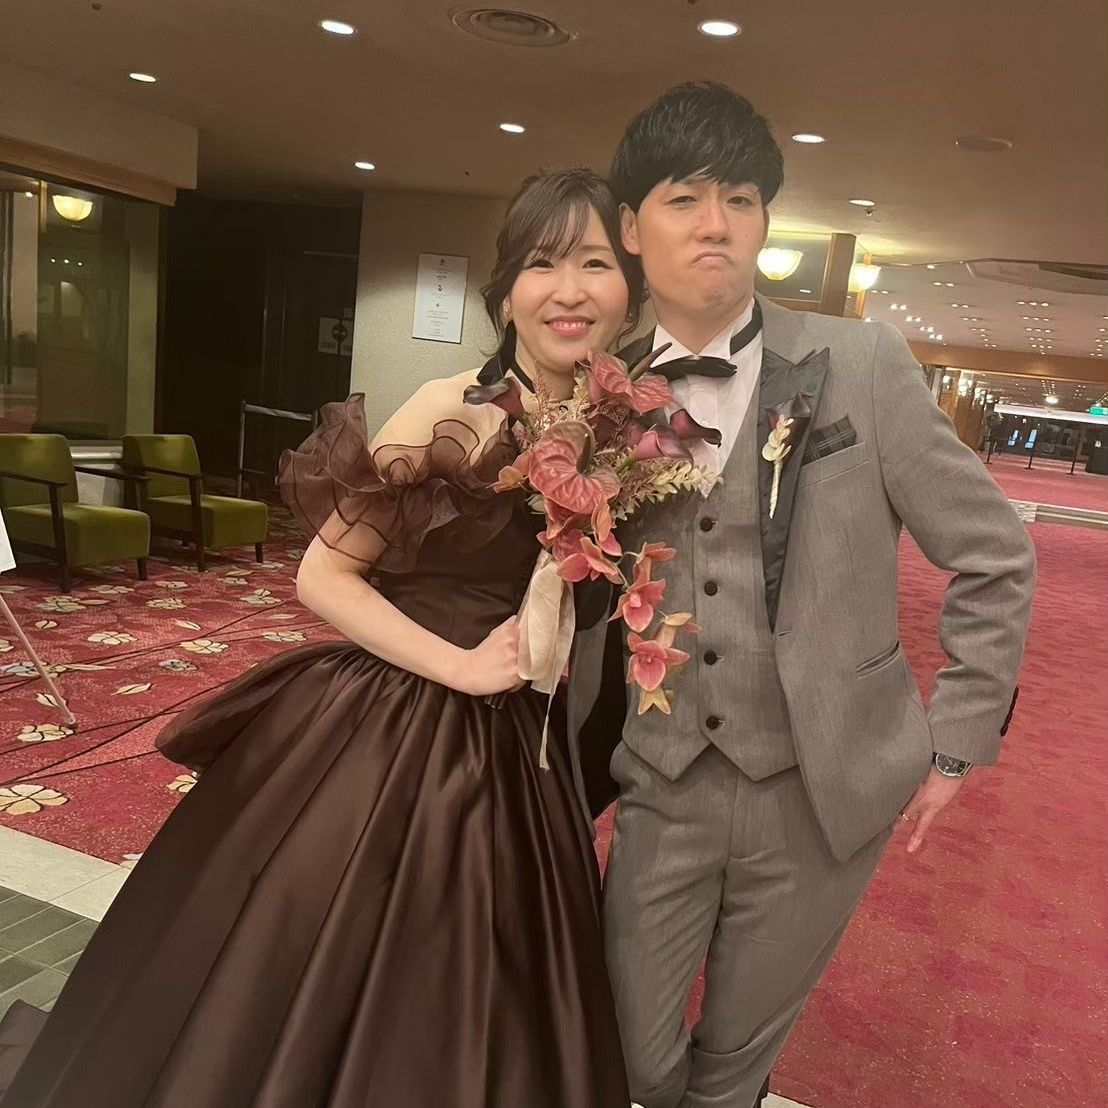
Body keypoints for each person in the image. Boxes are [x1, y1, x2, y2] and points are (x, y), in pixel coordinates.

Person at [0, 167, 642, 1107]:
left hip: (520, 741)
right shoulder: (451, 408)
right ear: (506, 293)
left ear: (629, 289)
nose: (570, 288)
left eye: (595, 263)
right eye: (543, 264)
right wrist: (462, 666)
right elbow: (323, 575)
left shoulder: (618, 433)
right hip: (398, 718)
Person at [566, 82, 1037, 1108]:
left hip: (819, 790)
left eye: (740, 199)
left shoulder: (860, 364)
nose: (717, 224)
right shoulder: (596, 393)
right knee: (625, 1051)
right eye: (685, 198)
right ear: (632, 228)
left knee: (734, 1063)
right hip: (663, 777)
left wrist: (957, 735)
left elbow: (995, 553)